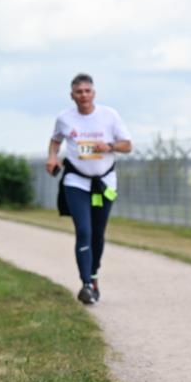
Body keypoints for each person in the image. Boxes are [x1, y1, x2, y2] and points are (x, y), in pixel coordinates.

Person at [47, 73, 132, 305]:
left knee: (98, 232)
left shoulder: (109, 115)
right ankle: (85, 284)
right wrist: (52, 157)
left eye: (87, 91)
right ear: (72, 95)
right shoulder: (64, 118)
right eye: (78, 92)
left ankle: (93, 276)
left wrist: (109, 146)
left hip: (104, 183)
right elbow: (55, 140)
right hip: (76, 181)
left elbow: (127, 145)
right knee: (83, 230)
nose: (83, 95)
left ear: (93, 93)